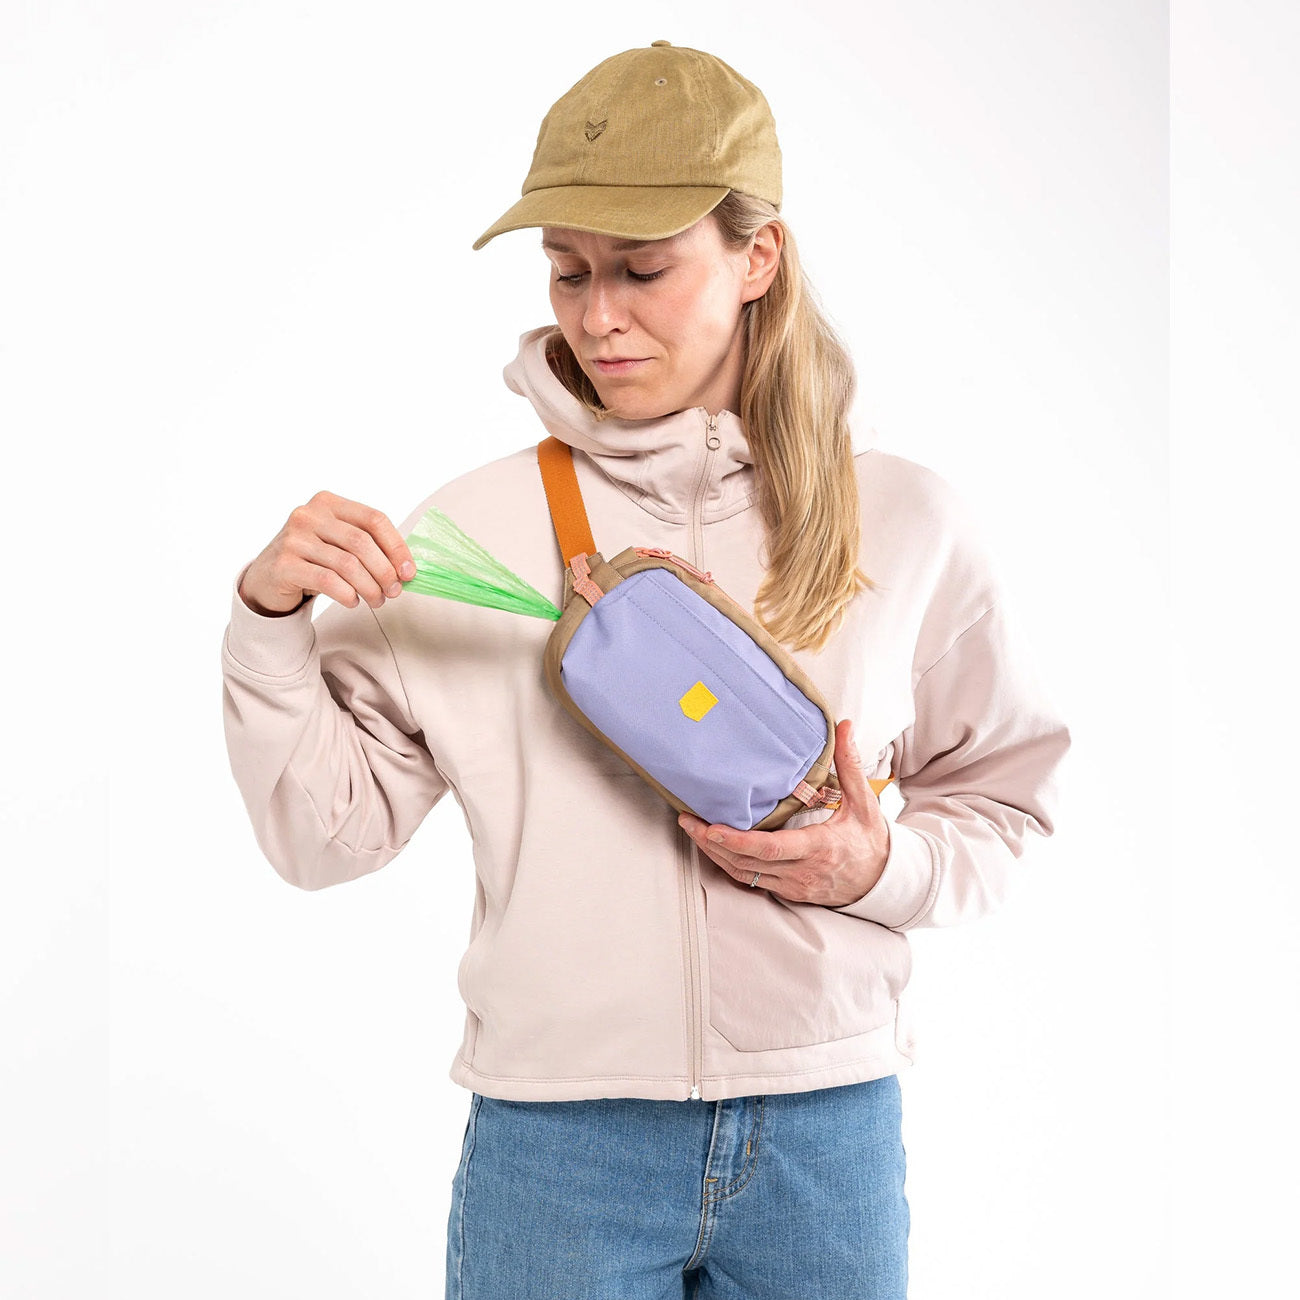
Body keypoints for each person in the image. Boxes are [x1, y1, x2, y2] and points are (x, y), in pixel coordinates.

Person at [221, 41, 1070, 1300]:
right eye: (567, 271)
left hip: (824, 1138)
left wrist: (879, 866)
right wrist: (267, 618)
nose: (595, 315)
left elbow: (1004, 806)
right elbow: (321, 836)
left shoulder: (904, 519)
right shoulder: (468, 534)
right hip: (558, 1143)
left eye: (642, 269)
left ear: (756, 258)